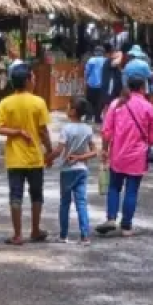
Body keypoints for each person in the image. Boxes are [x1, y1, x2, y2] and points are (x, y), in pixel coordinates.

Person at [0, 63, 53, 245]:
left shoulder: (5, 103)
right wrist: (49, 150)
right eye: (33, 77)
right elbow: (43, 131)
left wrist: (16, 132)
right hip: (34, 157)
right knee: (37, 195)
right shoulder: (38, 102)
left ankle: (18, 234)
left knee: (15, 195)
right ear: (27, 80)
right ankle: (35, 229)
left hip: (14, 158)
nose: (34, 80)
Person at [99, 74, 153, 237]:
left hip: (117, 154)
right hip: (137, 157)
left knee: (114, 187)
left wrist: (105, 150)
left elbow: (106, 131)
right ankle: (126, 226)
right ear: (142, 88)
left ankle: (111, 217)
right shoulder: (149, 108)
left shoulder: (116, 104)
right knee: (131, 191)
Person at [57, 100, 100, 244]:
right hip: (82, 169)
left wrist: (47, 159)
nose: (67, 108)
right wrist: (80, 157)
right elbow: (94, 152)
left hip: (67, 169)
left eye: (69, 106)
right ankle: (85, 235)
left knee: (65, 203)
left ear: (74, 111)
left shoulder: (66, 129)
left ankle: (63, 235)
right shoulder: (87, 129)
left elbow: (59, 150)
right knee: (81, 203)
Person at [84, 46, 110, 123]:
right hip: (102, 85)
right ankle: (97, 118)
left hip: (91, 84)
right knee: (99, 102)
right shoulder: (106, 61)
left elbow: (87, 72)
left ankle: (88, 117)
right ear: (103, 53)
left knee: (90, 101)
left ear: (95, 52)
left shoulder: (91, 60)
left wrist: (86, 80)